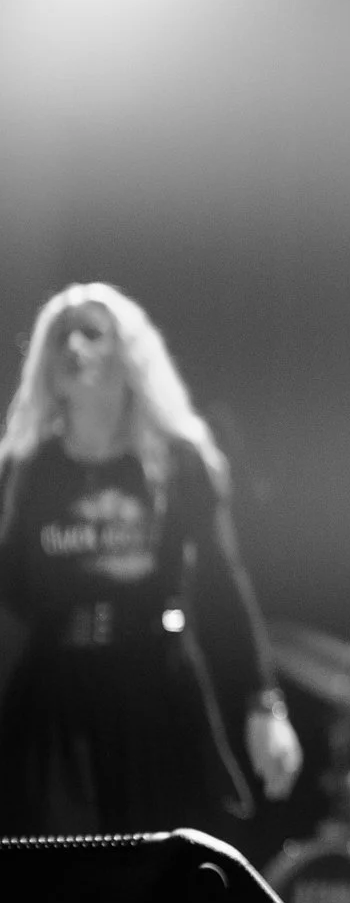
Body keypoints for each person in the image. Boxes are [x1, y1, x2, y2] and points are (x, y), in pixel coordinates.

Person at [0, 282, 302, 841]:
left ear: (131, 353)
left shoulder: (176, 463)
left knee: (159, 880)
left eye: (93, 332)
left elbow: (222, 586)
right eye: (61, 334)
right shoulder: (25, 472)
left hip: (155, 690)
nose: (74, 347)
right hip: (55, 702)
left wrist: (265, 706)